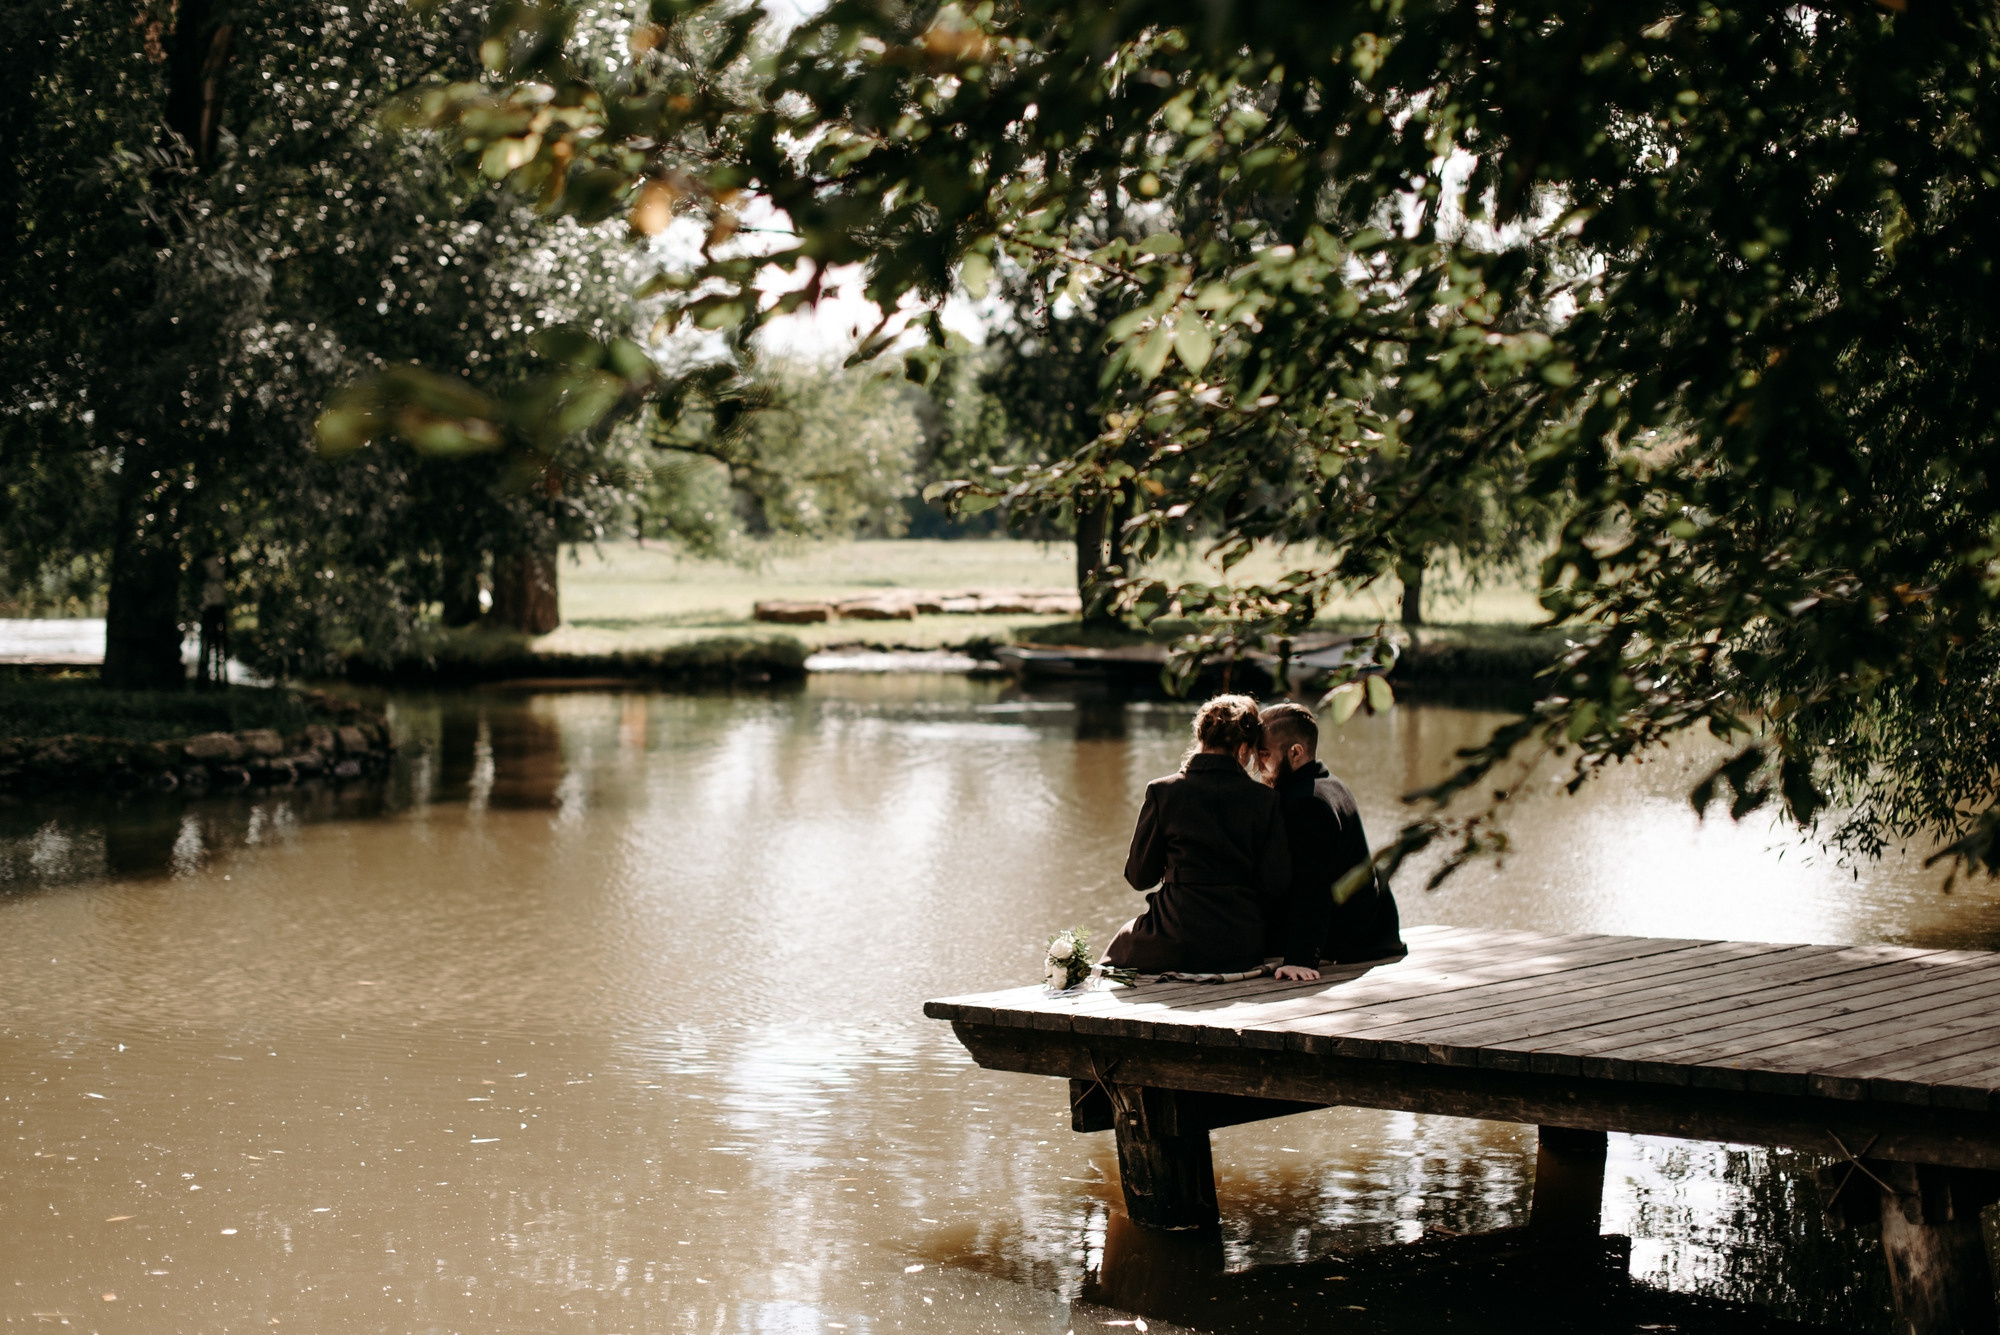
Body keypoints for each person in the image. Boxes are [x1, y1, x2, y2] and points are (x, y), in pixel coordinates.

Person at [1102, 694, 1291, 975]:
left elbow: (1139, 877)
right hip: (1241, 945)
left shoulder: (1163, 791)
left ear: (1201, 736)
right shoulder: (1266, 799)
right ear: (1243, 747)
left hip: (1173, 939)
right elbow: (1276, 884)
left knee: (1119, 946)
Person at [1257, 701, 1406, 981]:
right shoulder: (1330, 783)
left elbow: (1313, 884)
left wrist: (1301, 958)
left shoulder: (1306, 802)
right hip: (1371, 929)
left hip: (1349, 941)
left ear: (1296, 752)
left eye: (1264, 753)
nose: (1257, 764)